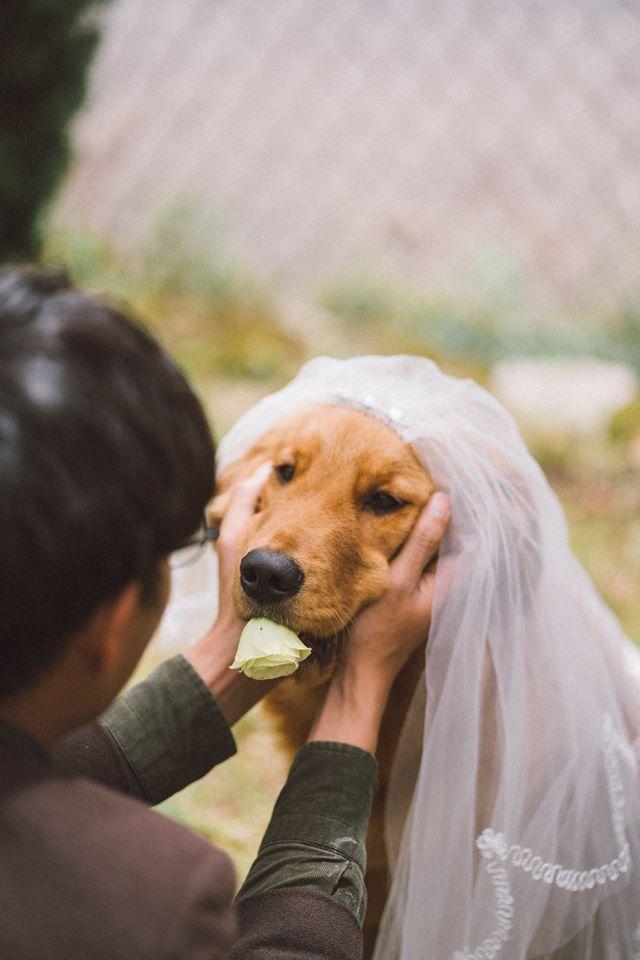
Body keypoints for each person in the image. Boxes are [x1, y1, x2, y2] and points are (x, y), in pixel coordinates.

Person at [0, 265, 451, 960]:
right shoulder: (154, 904)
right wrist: (359, 694)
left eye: (382, 500)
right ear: (114, 619)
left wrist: (232, 659)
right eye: (285, 471)